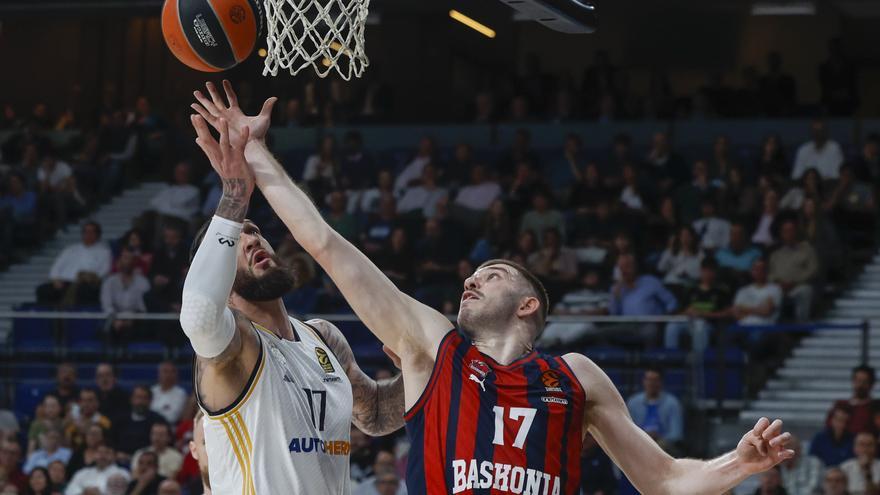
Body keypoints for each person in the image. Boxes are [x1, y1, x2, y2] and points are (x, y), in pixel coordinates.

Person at [191, 79, 795, 495]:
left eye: (493, 273)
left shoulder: (577, 377)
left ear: (528, 303)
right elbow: (324, 242)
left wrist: (735, 466)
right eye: (472, 273)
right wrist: (256, 155)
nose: (471, 276)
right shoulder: (434, 350)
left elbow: (663, 481)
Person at [183, 80, 406, 494]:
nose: (251, 238)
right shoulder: (235, 348)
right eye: (237, 238)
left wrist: (421, 366)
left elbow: (375, 415)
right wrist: (234, 199)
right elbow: (198, 314)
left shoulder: (322, 337)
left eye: (254, 230)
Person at [37, 222, 111, 306]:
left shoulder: (104, 252)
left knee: (84, 291)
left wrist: (90, 278)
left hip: (85, 283)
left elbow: (104, 271)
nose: (88, 234)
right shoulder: (70, 249)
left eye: (91, 232)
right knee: (43, 290)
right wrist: (55, 279)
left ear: (98, 234)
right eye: (85, 232)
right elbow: (56, 267)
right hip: (64, 282)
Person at [664, 258, 730, 352]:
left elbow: (727, 313)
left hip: (708, 324)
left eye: (710, 271)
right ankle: (671, 360)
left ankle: (699, 363)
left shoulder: (721, 291)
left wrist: (703, 314)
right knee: (672, 326)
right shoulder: (691, 289)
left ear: (715, 272)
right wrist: (686, 312)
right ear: (701, 271)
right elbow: (680, 311)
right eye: (705, 271)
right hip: (689, 322)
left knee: (700, 327)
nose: (707, 274)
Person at [768, 220, 819, 322]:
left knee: (806, 290)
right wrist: (779, 283)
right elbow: (770, 274)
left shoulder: (807, 249)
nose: (789, 234)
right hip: (779, 288)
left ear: (796, 232)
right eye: (785, 231)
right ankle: (771, 324)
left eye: (791, 231)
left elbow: (813, 269)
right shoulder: (776, 255)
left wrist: (794, 282)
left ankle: (801, 324)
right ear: (782, 234)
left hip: (798, 286)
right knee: (767, 292)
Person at [626, 368, 684, 451]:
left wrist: (657, 437)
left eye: (655, 380)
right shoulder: (633, 402)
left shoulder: (673, 403)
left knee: (658, 447)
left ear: (661, 382)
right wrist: (644, 436)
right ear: (644, 381)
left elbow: (676, 434)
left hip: (663, 444)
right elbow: (628, 429)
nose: (651, 383)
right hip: (638, 441)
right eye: (649, 380)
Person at [111, 387, 165, 463]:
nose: (141, 401)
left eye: (145, 398)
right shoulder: (120, 419)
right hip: (120, 460)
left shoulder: (158, 420)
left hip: (148, 461)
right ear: (131, 399)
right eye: (138, 397)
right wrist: (115, 453)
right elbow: (111, 440)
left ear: (150, 401)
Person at [827, 366, 880, 435]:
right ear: (853, 381)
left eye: (865, 381)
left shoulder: (876, 407)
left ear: (871, 384)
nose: (860, 385)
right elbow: (829, 429)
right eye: (858, 380)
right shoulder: (840, 405)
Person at [732, 259, 783, 325]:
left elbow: (766, 312)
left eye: (762, 269)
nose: (759, 272)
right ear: (751, 271)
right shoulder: (742, 291)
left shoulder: (775, 289)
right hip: (743, 327)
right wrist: (759, 309)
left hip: (764, 327)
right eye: (756, 269)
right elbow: (736, 313)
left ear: (767, 271)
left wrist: (744, 309)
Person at [63, 444, 128, 495]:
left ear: (114, 456)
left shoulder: (122, 474)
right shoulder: (82, 473)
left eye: (107, 452)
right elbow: (69, 492)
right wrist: (84, 493)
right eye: (99, 452)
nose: (102, 456)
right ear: (94, 455)